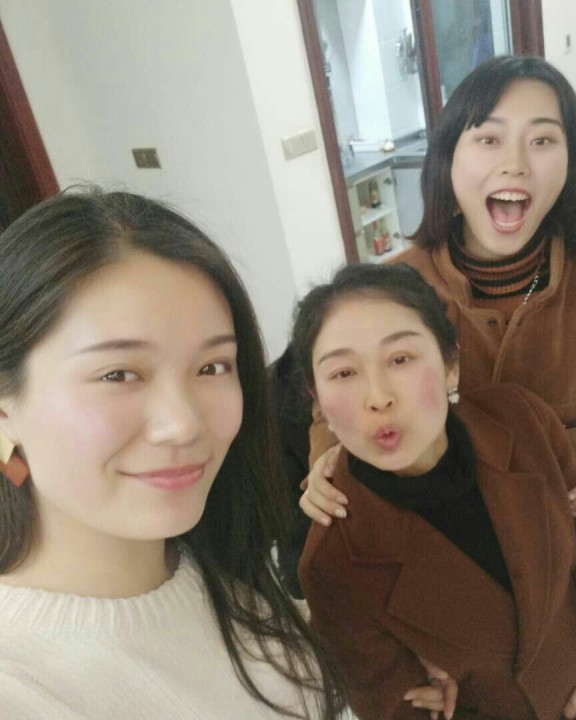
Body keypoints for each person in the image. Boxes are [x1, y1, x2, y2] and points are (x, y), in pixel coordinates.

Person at [299, 55, 576, 719]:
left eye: (543, 140)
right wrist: (323, 465)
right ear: (448, 159)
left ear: (572, 161)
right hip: (463, 600)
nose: (515, 164)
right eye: (488, 138)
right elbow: (331, 398)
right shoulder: (394, 292)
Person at [0, 188, 348, 719]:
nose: (184, 424)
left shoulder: (231, 580)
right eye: (118, 374)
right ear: (5, 409)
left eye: (212, 367)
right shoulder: (21, 690)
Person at [292, 262, 576, 720]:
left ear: (451, 365)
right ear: (317, 400)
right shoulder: (330, 564)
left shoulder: (522, 421)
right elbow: (390, 703)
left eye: (400, 359)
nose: (377, 397)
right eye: (343, 373)